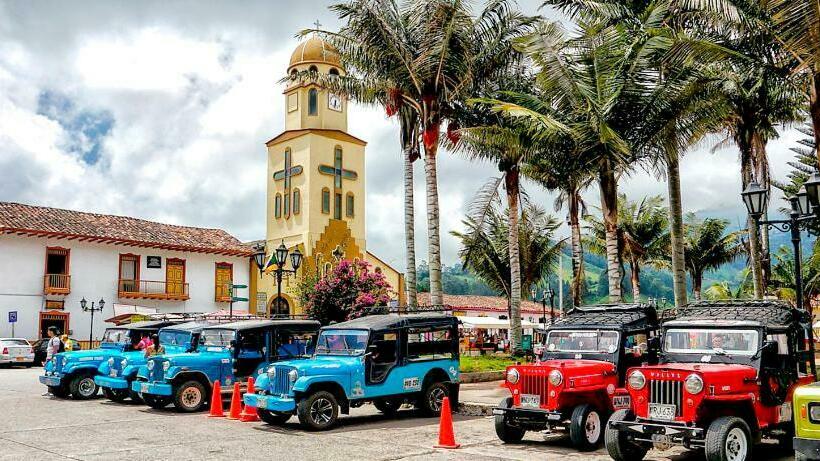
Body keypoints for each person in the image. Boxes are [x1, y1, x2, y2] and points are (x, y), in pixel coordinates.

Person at [43, 326, 63, 396]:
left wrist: (53, 359)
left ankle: (52, 391)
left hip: (52, 360)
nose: (47, 332)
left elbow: (55, 350)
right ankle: (49, 391)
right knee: (48, 375)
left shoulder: (55, 339)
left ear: (51, 332)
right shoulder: (52, 339)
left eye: (48, 331)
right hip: (50, 359)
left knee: (51, 375)